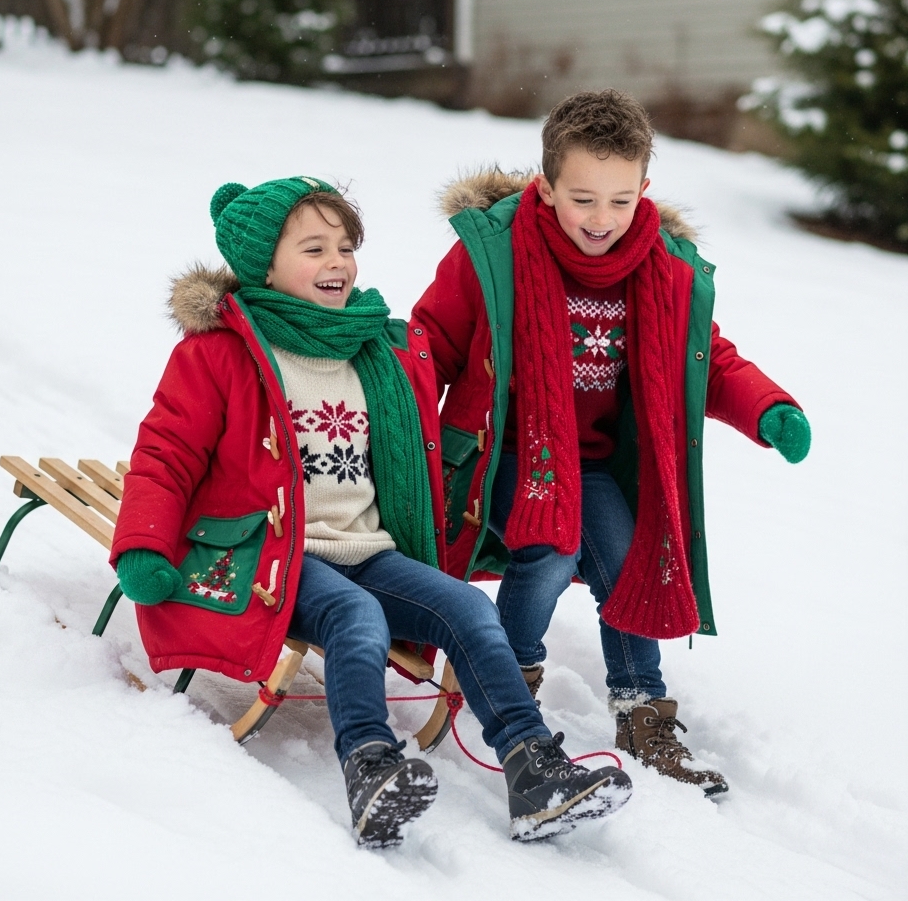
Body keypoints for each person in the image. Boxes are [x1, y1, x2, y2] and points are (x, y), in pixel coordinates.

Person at [109, 176, 632, 846]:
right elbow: (165, 453)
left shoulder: (375, 349)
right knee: (354, 618)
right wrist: (145, 545)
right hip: (277, 554)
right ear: (262, 263)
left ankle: (533, 769)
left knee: (468, 609)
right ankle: (370, 766)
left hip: (370, 549)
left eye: (347, 246)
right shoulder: (220, 352)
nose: (338, 263)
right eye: (315, 248)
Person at [412, 91, 811, 797]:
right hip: (504, 453)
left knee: (628, 562)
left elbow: (705, 358)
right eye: (583, 199)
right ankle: (510, 674)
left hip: (592, 463)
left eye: (620, 201)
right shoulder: (493, 253)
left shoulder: (660, 269)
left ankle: (641, 710)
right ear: (546, 186)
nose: (601, 220)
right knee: (552, 542)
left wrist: (767, 406)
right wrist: (398, 408)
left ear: (644, 190)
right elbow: (431, 343)